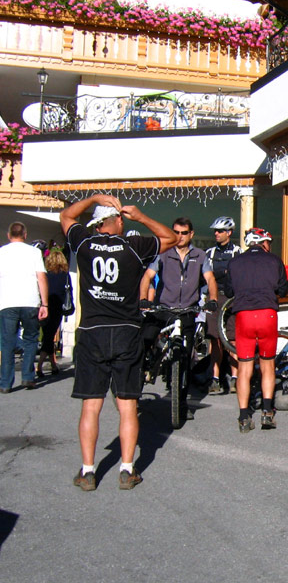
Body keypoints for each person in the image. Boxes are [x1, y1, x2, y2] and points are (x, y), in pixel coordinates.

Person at [61, 194, 177, 491]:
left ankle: (88, 471)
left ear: (97, 223)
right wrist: (142, 217)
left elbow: (66, 216)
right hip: (125, 330)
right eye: (122, 219)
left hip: (92, 330)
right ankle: (127, 468)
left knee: (91, 405)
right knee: (127, 405)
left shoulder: (85, 243)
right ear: (117, 221)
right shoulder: (134, 247)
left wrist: (93, 197)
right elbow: (171, 238)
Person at [139, 217, 218, 403]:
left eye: (184, 233)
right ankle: (139, 377)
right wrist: (143, 299)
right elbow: (147, 277)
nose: (180, 236)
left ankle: (181, 402)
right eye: (176, 232)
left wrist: (213, 299)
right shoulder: (163, 253)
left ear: (191, 234)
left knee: (186, 355)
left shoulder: (200, 255)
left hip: (187, 311)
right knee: (143, 341)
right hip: (163, 308)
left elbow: (211, 279)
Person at [225, 227, 287, 433]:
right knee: (268, 364)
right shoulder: (274, 260)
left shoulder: (234, 262)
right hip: (267, 314)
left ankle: (244, 417)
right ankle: (267, 412)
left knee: (245, 367)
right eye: (268, 242)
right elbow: (283, 289)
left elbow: (229, 290)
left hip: (244, 316)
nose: (270, 246)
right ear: (262, 242)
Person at [0, 222, 48, 393]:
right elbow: (41, 278)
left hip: (7, 302)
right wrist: (45, 303)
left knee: (7, 342)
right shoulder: (34, 252)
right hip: (30, 301)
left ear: (8, 235)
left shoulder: (2, 252)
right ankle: (28, 376)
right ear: (25, 235)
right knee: (30, 339)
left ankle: (5, 382)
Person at [205, 216, 241, 394]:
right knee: (215, 339)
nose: (216, 234)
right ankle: (215, 378)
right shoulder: (210, 253)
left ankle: (235, 378)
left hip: (232, 299)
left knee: (232, 338)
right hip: (214, 297)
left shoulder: (237, 252)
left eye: (220, 231)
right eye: (215, 231)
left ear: (229, 232)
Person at [37, 248, 70, 378]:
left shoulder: (46, 275)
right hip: (57, 309)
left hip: (45, 307)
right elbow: (69, 292)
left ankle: (53, 365)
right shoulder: (65, 276)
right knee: (49, 337)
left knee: (47, 336)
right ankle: (39, 366)